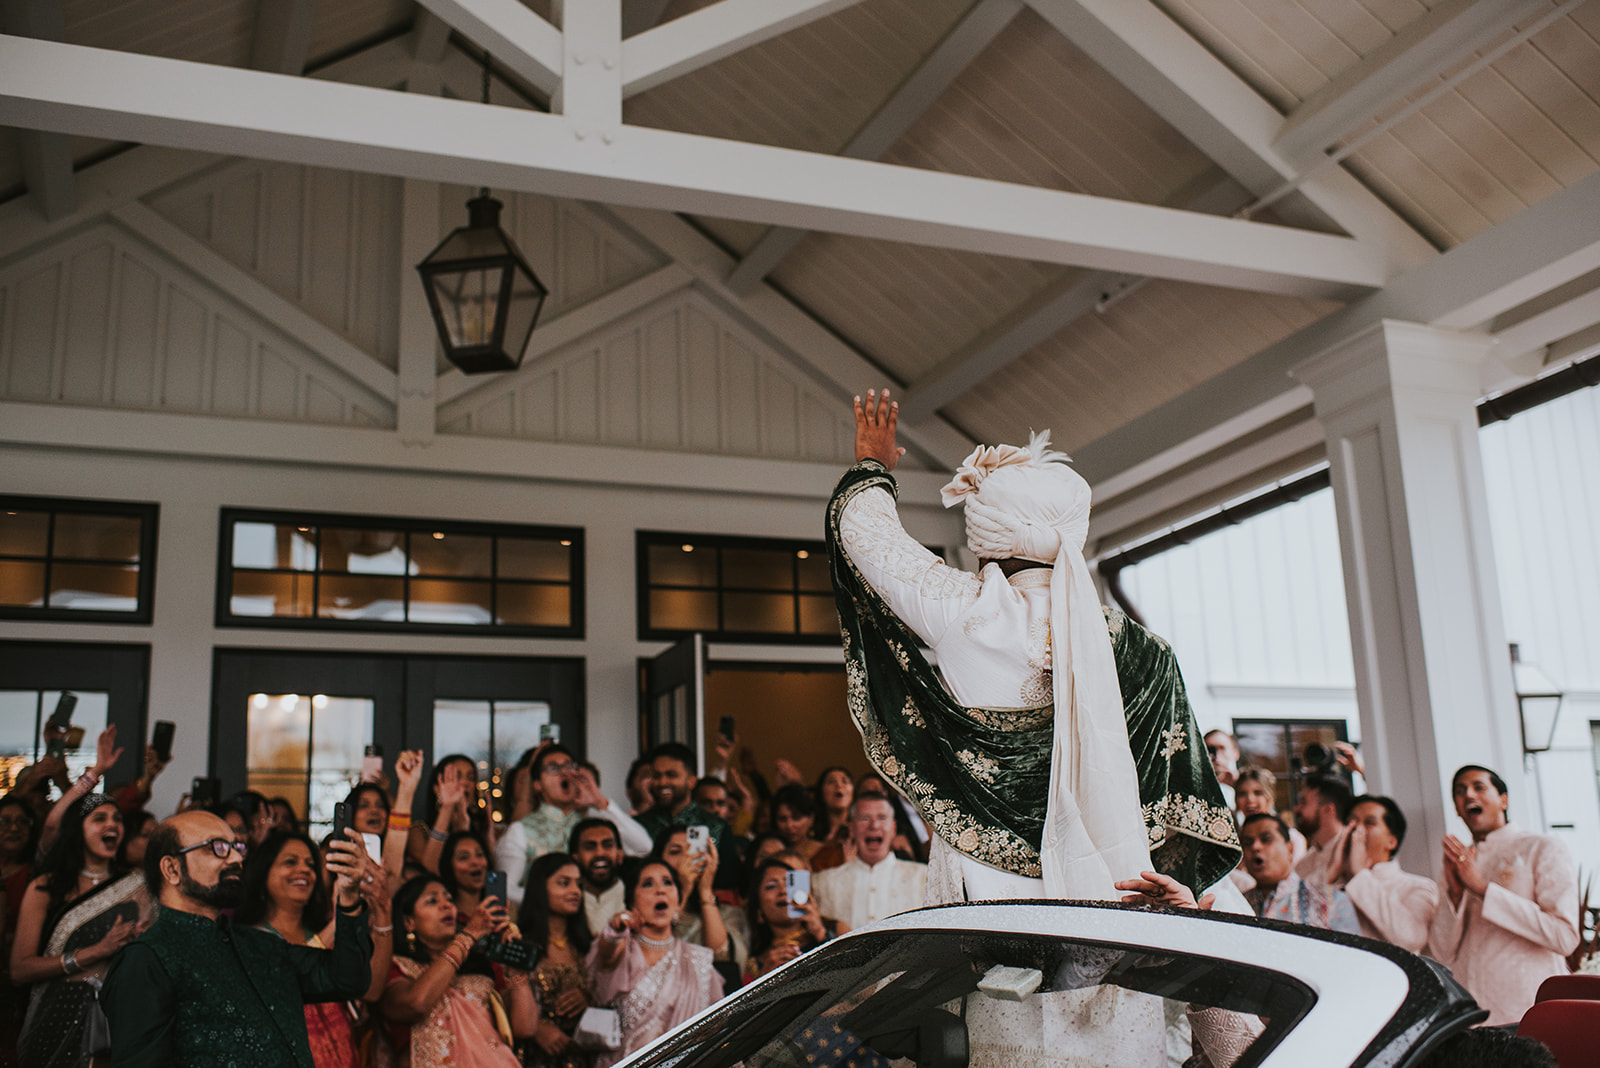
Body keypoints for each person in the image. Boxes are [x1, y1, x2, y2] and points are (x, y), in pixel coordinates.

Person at [829, 391, 1239, 906]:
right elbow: (1186, 797)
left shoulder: (964, 612)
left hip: (988, 883)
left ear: (986, 536)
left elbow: (865, 532)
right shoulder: (1144, 651)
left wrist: (873, 463)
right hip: (1121, 885)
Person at [101, 809, 375, 1067]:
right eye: (217, 847)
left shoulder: (261, 946)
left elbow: (348, 979)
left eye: (237, 847)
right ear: (172, 869)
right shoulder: (147, 959)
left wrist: (349, 898)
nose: (235, 858)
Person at [1428, 765, 1579, 1026]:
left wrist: (1483, 889)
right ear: (1456, 807)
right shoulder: (1461, 862)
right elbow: (1440, 953)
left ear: (1503, 800)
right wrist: (1454, 893)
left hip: (1526, 1011)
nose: (1469, 796)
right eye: (1460, 791)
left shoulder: (1542, 847)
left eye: (1479, 787)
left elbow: (1564, 937)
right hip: (1470, 1016)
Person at [10, 794, 150, 1067]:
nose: (112, 825)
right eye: (100, 818)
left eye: (117, 819)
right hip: (55, 1014)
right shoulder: (46, 887)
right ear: (77, 830)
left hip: (115, 1017)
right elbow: (19, 970)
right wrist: (98, 951)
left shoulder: (137, 886)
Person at [235, 830, 394, 1068]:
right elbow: (293, 972)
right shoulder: (248, 939)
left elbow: (370, 991)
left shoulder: (329, 933)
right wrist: (340, 919)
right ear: (262, 872)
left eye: (311, 864)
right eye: (290, 862)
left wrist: (383, 909)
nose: (304, 870)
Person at [379, 875, 536, 1067]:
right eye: (432, 901)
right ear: (409, 922)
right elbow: (416, 1003)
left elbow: (525, 1028)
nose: (446, 906)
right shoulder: (398, 968)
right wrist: (468, 937)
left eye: (449, 900)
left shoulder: (480, 968)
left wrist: (516, 971)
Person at [589, 860, 724, 1068]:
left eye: (668, 883)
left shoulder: (698, 961)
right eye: (648, 884)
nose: (660, 890)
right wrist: (614, 928)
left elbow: (716, 1028)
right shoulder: (622, 951)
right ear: (632, 902)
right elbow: (605, 957)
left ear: (678, 902)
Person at [495, 744, 650, 910]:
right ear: (538, 785)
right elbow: (503, 889)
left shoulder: (593, 822)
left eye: (568, 766)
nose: (564, 772)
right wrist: (553, 898)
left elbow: (644, 848)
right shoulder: (520, 831)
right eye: (553, 768)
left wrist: (599, 801)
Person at [1321, 795, 1436, 953]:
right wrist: (1330, 874)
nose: (1357, 829)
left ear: (1391, 842)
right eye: (1351, 822)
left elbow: (1411, 939)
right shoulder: (1330, 882)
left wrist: (1360, 874)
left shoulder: (1418, 887)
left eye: (1369, 823)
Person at [514, 853, 595, 1068]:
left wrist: (588, 998)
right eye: (564, 883)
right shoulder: (518, 942)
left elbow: (610, 995)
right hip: (534, 1058)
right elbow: (501, 1000)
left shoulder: (587, 945)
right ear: (540, 888)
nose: (575, 891)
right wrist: (537, 1029)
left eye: (578, 884)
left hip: (584, 1057)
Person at [812, 792, 926, 929]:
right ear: (852, 828)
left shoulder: (924, 878)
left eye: (882, 818)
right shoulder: (823, 883)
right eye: (864, 818)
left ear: (893, 828)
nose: (874, 825)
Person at [636, 743, 739, 889]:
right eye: (657, 776)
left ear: (691, 781)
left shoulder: (716, 826)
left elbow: (726, 884)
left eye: (671, 775)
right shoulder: (639, 825)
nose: (662, 782)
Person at [1238, 813, 1359, 933]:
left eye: (1266, 839)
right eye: (1248, 843)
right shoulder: (1236, 904)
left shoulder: (1331, 901)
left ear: (1290, 849)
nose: (1255, 847)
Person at [743, 854, 848, 983]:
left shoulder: (836, 929)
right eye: (771, 886)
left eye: (789, 884)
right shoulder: (757, 965)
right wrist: (765, 981)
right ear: (759, 913)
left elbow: (861, 981)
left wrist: (821, 934)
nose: (783, 890)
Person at [657, 827, 746, 971]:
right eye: (675, 852)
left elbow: (722, 960)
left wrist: (705, 890)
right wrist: (683, 889)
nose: (687, 858)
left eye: (694, 851)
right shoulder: (650, 911)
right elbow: (658, 948)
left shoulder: (730, 914)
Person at [0, 793, 41, 1066]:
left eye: (22, 821)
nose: (14, 828)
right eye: (5, 821)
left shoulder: (36, 877)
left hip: (15, 982)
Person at [408, 755, 487, 872]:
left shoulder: (481, 828)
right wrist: (447, 808)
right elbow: (431, 873)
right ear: (437, 788)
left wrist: (463, 828)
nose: (464, 783)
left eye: (470, 777)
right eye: (457, 777)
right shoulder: (419, 831)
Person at [570, 818, 628, 935]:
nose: (600, 853)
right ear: (576, 857)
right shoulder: (567, 900)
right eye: (590, 847)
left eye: (607, 845)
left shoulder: (635, 895)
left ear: (620, 854)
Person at [1292, 773, 1353, 885]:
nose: (1296, 809)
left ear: (1328, 810)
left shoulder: (1353, 853)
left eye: (1303, 803)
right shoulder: (1305, 863)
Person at [439, 830, 490, 930]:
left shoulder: (502, 912)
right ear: (449, 866)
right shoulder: (446, 917)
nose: (475, 862)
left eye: (479, 854)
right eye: (463, 857)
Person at [768, 784, 823, 866]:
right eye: (783, 819)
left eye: (796, 818)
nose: (789, 826)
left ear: (811, 819)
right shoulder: (770, 852)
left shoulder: (823, 852)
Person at [1204, 730, 1240, 808]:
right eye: (1209, 749)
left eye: (1222, 748)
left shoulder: (1246, 784)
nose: (1216, 756)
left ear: (1235, 753)